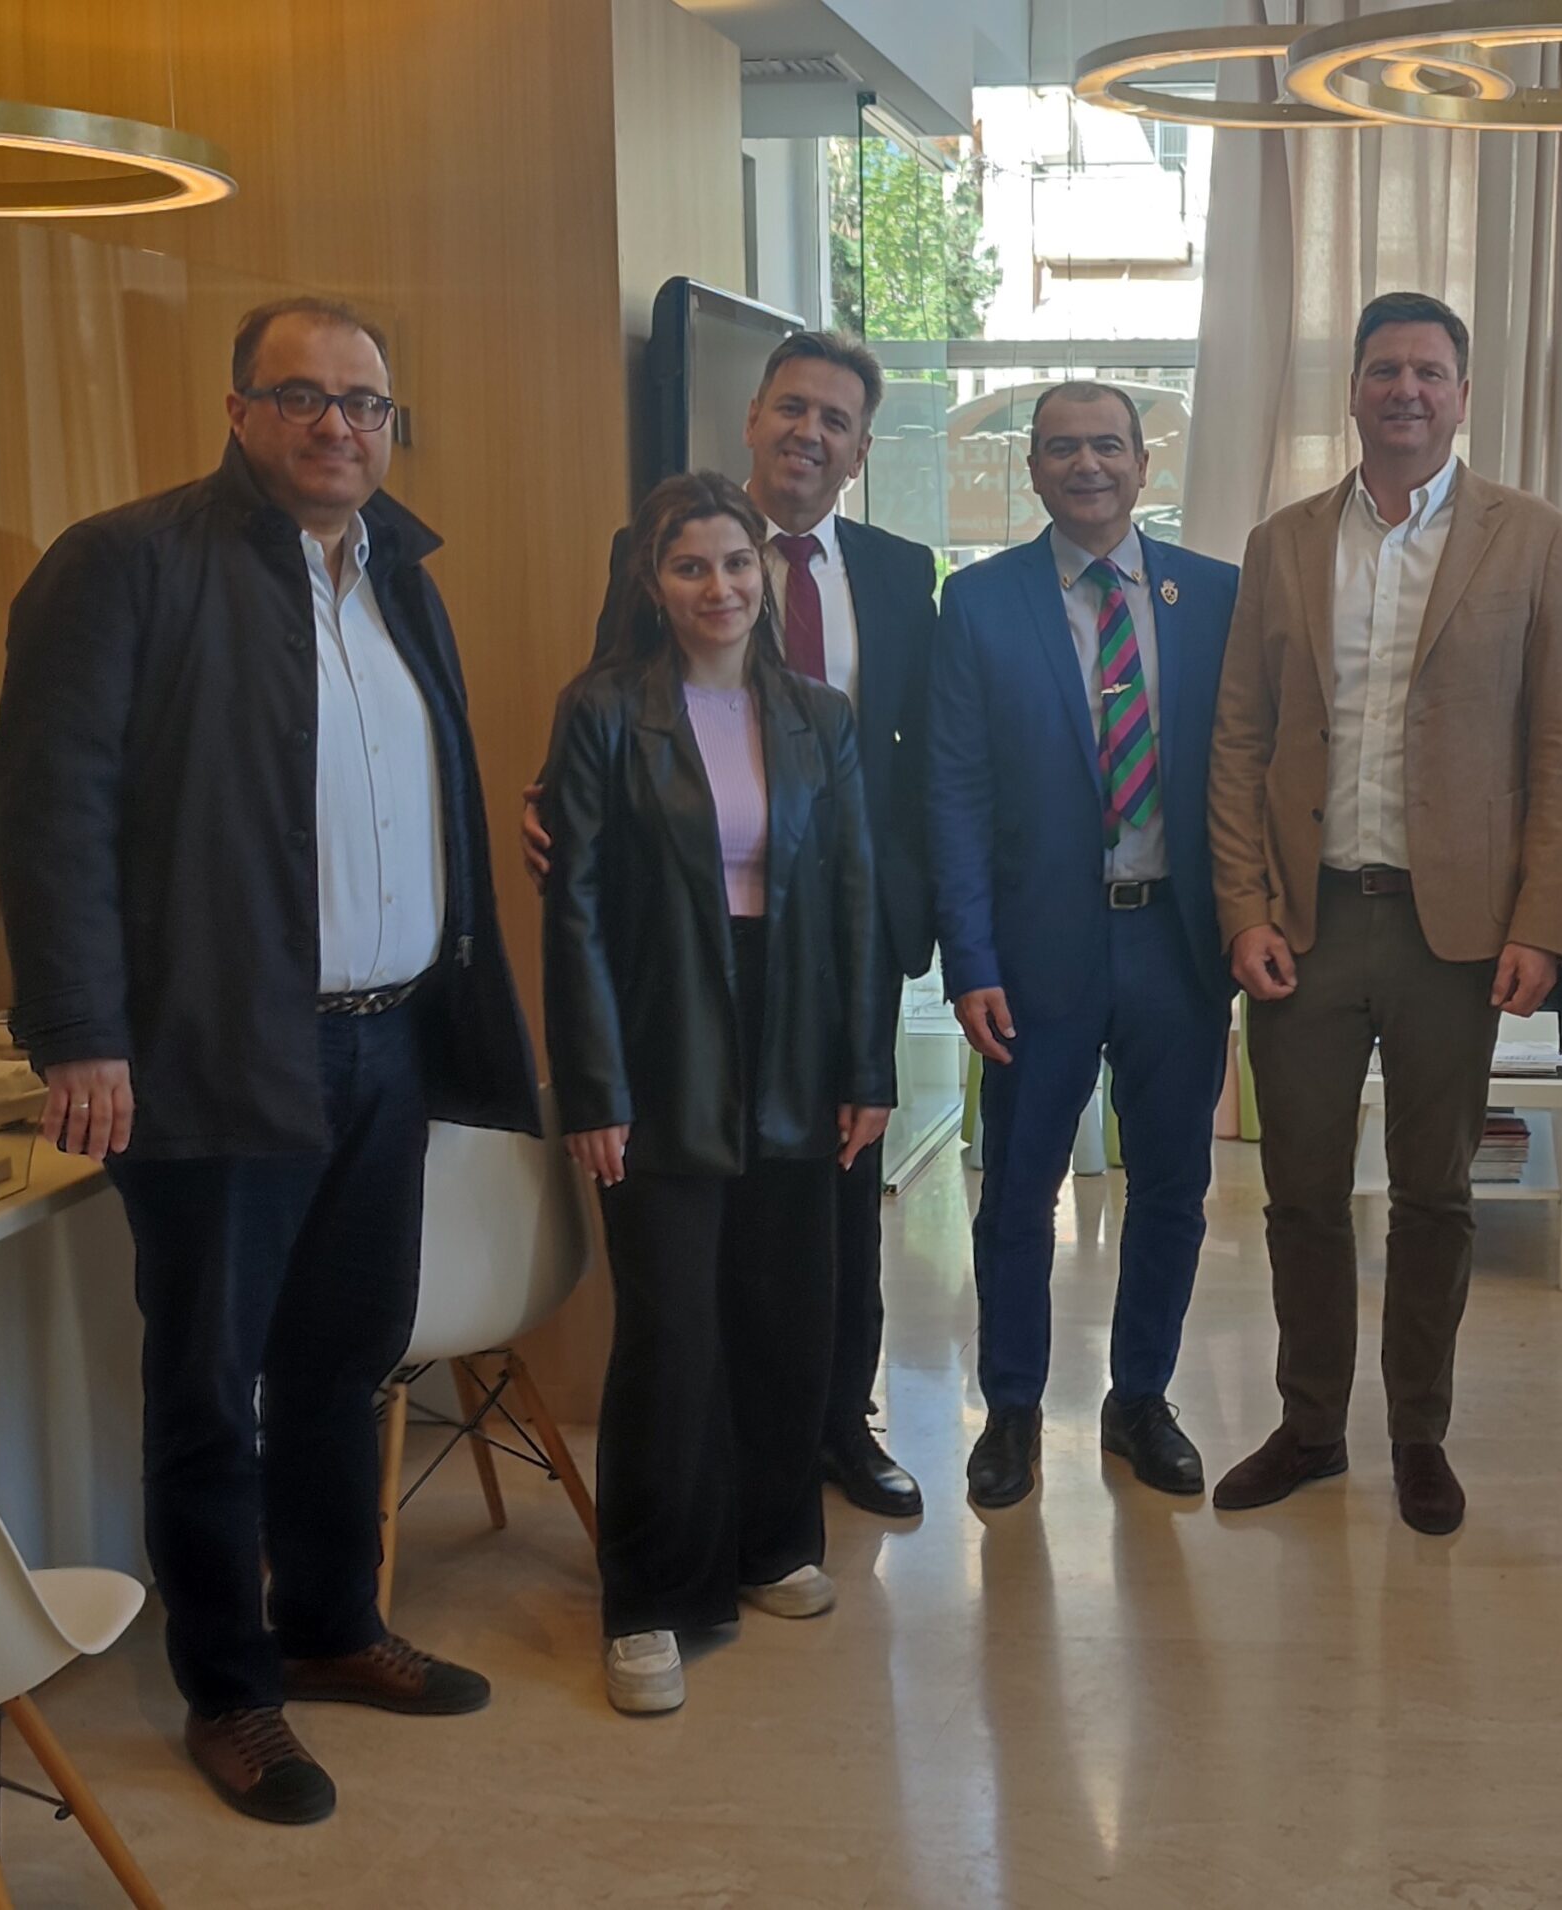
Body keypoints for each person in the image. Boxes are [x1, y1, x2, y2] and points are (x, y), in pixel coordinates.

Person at [0, 298, 539, 1824]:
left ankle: (335, 1625)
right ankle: (230, 1688)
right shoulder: (125, 562)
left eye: (366, 402)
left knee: (348, 1360)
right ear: (239, 412)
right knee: (211, 1388)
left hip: (386, 1042)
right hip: (218, 1049)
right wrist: (81, 1030)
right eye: (302, 395)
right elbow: (46, 807)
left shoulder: (401, 575)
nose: (337, 425)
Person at [526, 331, 934, 1519]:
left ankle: (833, 1429)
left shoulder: (900, 570)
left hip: (832, 937)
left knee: (829, 1229)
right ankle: (697, 1488)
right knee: (691, 1254)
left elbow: (915, 755)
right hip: (683, 950)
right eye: (792, 407)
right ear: (754, 417)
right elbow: (614, 711)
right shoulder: (657, 552)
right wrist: (555, 806)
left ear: (861, 449)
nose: (810, 432)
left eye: (836, 419)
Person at [1207, 291, 1562, 1537]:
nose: (1406, 390)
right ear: (1354, 392)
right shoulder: (1282, 543)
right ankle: (1310, 1423)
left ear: (1462, 396)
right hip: (1307, 921)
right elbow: (1240, 738)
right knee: (1301, 1194)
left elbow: (1560, 747)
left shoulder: (1528, 538)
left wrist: (1541, 923)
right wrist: (1242, 907)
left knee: (1434, 1195)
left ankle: (1418, 1432)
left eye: (1429, 371)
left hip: (1456, 933)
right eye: (1384, 369)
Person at [541, 470, 892, 1715]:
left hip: (796, 1032)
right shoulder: (602, 710)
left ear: (763, 574)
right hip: (662, 1039)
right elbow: (575, 909)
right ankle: (648, 1595)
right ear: (653, 581)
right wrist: (594, 1087)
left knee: (786, 1308)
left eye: (736, 563)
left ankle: (771, 1538)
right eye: (690, 565)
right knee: (672, 1331)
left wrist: (866, 1068)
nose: (719, 586)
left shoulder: (817, 715)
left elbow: (854, 896)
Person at [927, 382, 1239, 1510]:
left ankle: (1140, 1398)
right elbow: (955, 793)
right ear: (1033, 471)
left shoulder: (1214, 597)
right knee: (1018, 1190)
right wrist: (970, 959)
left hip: (1176, 945)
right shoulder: (978, 602)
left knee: (1173, 1187)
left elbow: (1248, 773)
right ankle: (1012, 1406)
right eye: (1061, 448)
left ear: (1145, 464)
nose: (1087, 465)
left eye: (1108, 445)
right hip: (1035, 954)